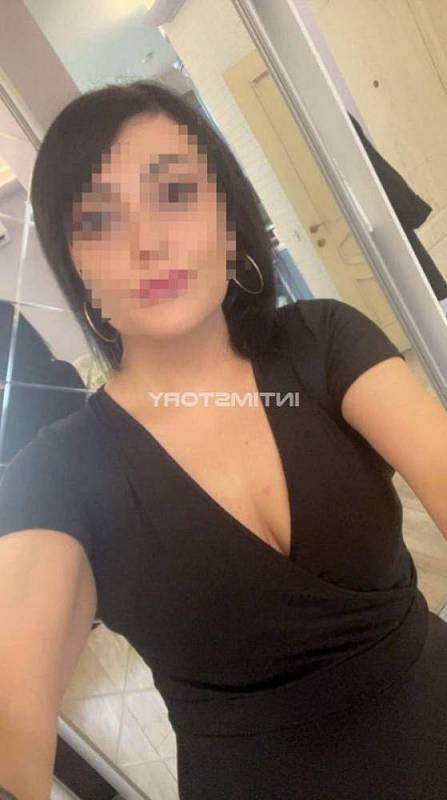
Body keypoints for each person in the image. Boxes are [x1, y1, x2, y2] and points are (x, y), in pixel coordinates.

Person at [0, 80, 446, 800]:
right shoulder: (56, 472)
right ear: (78, 270)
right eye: (99, 220)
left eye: (174, 193)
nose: (147, 242)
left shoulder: (322, 341)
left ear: (229, 222)